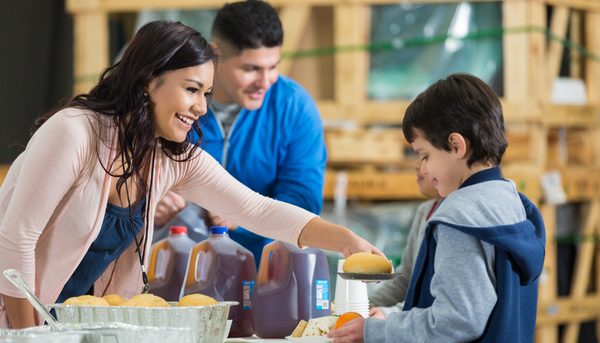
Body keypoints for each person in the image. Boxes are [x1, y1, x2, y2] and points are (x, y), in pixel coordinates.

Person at [0, 20, 383, 329]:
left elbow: (260, 210)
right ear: (149, 81)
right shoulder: (75, 132)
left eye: (207, 94)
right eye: (191, 89)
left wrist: (345, 239)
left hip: (68, 327)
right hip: (13, 321)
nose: (201, 107)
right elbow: (15, 239)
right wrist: (25, 337)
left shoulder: (171, 158)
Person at [329, 73, 546, 343]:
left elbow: (457, 321)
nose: (422, 167)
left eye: (425, 155)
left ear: (456, 145)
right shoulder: (515, 203)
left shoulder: (459, 216)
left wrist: (374, 330)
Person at [154, 0, 327, 269]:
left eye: (273, 66)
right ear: (216, 54)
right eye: (251, 69)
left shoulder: (295, 107)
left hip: (263, 273)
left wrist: (240, 216)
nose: (265, 81)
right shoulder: (173, 98)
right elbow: (127, 169)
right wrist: (150, 197)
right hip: (174, 269)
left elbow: (303, 200)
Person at [368, 157, 442, 320]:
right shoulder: (425, 211)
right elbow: (407, 278)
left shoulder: (453, 221)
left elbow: (440, 303)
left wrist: (389, 314)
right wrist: (365, 307)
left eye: (425, 156)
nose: (417, 165)